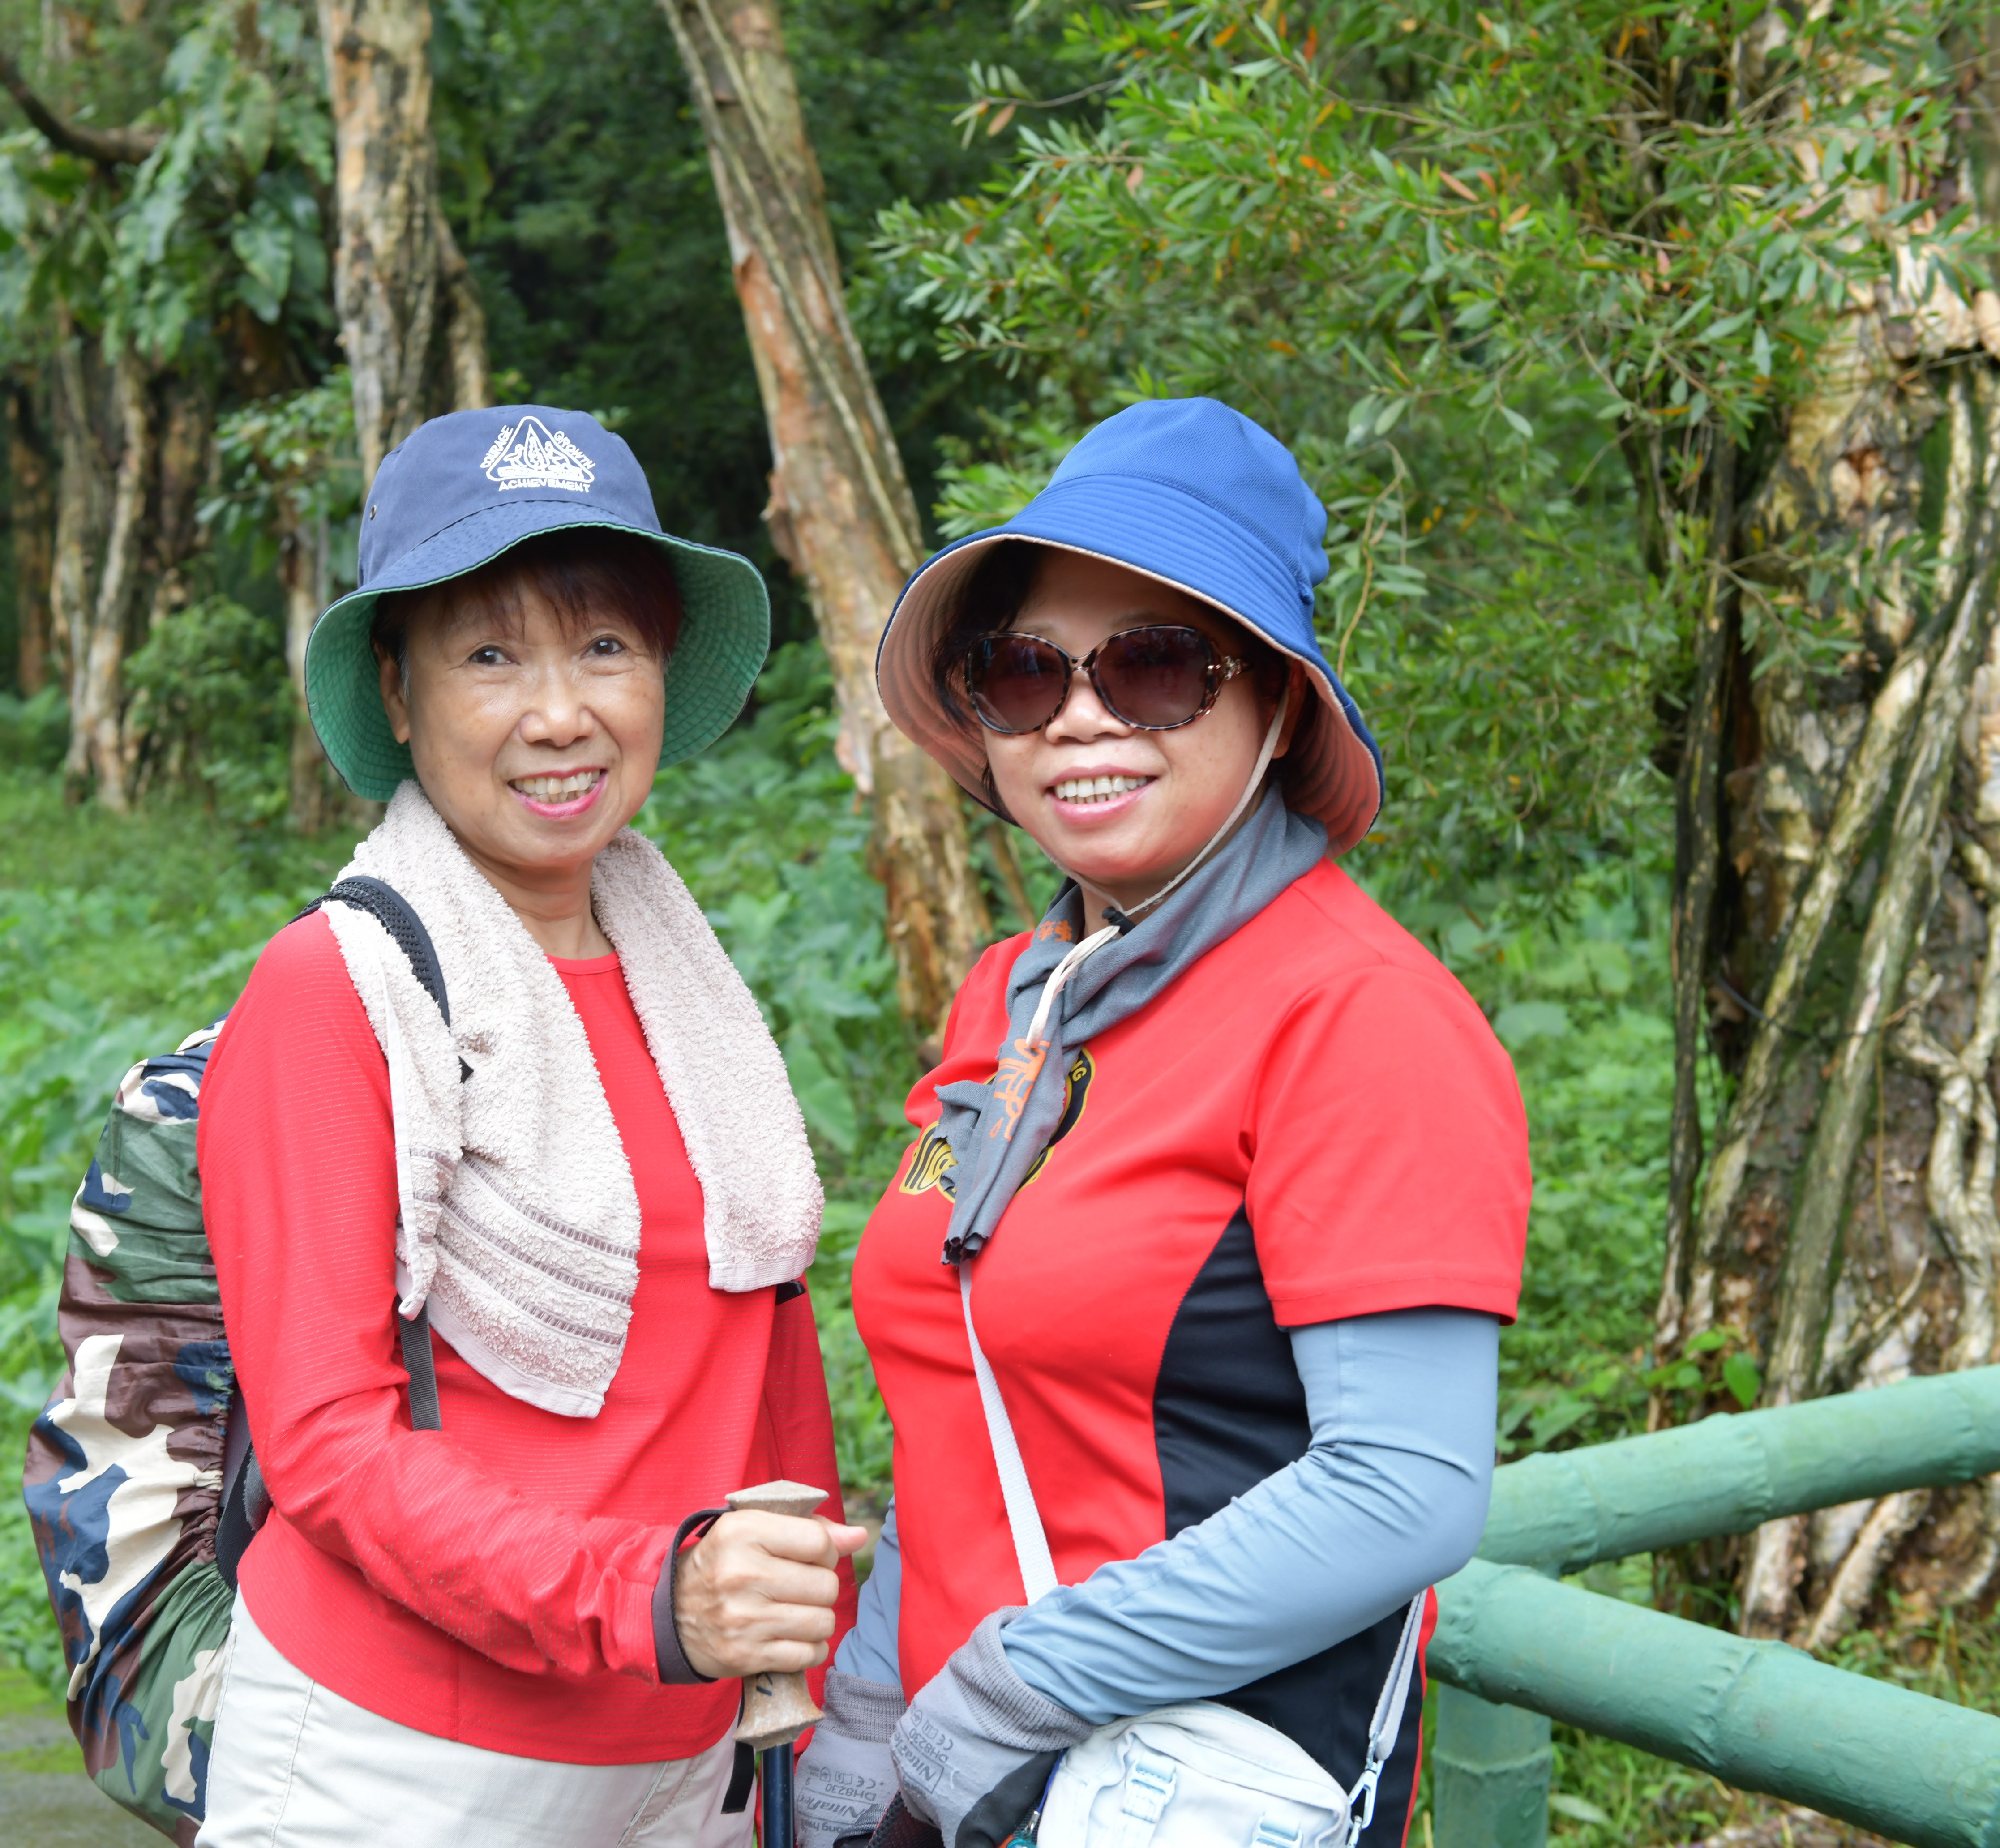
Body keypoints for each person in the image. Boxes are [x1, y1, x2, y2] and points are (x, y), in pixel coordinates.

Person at [801, 401, 1532, 1848]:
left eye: (1153, 665)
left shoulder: (1359, 1016)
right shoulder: (1016, 1001)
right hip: (946, 1774)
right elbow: (958, 1404)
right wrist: (873, 1705)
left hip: (1178, 1780)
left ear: (1277, 706)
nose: (1081, 715)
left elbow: (1405, 1488)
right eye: (1025, 671)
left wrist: (1016, 1687)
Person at [180, 407, 857, 1846]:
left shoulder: (686, 979)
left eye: (605, 646)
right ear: (397, 690)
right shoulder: (336, 990)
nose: (561, 715)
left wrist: (811, 1648)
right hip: (404, 1763)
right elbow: (330, 1446)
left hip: (693, 1751)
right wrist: (652, 1597)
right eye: (491, 656)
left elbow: (767, 1349)